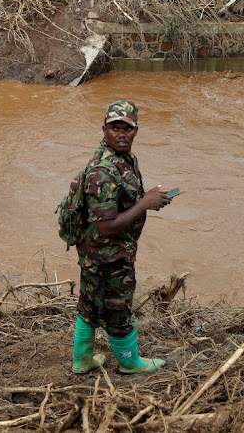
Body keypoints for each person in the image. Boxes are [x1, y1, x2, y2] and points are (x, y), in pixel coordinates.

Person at [71, 100, 172, 374]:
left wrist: (149, 197)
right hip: (107, 255)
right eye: (115, 128)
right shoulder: (103, 170)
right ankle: (130, 362)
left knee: (90, 305)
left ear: (136, 130)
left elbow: (123, 202)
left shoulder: (124, 159)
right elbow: (106, 226)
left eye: (127, 128)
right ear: (104, 129)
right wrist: (145, 204)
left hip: (100, 253)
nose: (121, 133)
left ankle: (82, 360)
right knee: (118, 311)